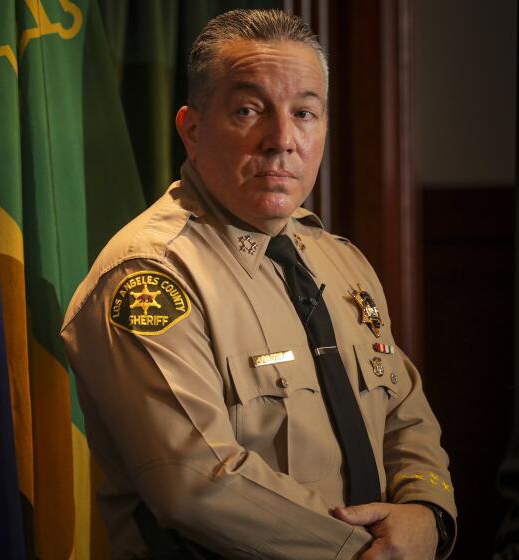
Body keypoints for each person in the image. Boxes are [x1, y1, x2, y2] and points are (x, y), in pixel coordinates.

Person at [60, 9, 457, 559]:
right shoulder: (149, 276)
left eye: (305, 113)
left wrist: (426, 512)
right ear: (192, 130)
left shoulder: (341, 262)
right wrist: (367, 551)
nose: (282, 140)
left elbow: (404, 414)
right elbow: (194, 482)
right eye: (249, 110)